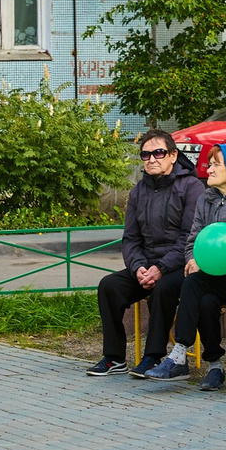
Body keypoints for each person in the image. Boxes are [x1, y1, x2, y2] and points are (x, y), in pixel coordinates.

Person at [141, 142, 226, 388]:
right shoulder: (206, 198)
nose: (208, 169)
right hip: (210, 275)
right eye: (209, 164)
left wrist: (208, 263)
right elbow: (194, 238)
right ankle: (215, 366)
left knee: (195, 282)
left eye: (215, 164)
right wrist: (192, 258)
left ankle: (179, 353)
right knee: (204, 299)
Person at [90, 130, 201, 377]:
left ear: (173, 156)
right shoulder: (139, 190)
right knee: (109, 285)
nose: (152, 159)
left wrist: (160, 267)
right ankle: (114, 357)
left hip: (179, 267)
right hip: (146, 267)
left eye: (158, 152)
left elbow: (188, 236)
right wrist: (138, 267)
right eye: (146, 154)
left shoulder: (191, 187)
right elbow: (130, 238)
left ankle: (153, 356)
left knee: (164, 289)